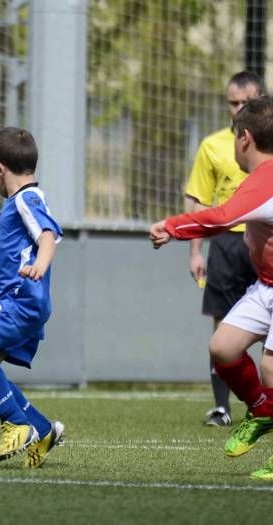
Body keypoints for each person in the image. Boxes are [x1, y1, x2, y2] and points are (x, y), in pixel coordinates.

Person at [150, 96, 273, 480]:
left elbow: (222, 217)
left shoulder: (266, 179)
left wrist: (171, 226)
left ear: (244, 139)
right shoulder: (259, 179)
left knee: (271, 369)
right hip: (266, 285)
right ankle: (263, 410)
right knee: (223, 347)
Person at [0, 127, 65, 468]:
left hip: (20, 299)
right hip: (24, 301)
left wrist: (40, 265)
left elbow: (47, 236)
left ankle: (17, 424)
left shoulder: (25, 200)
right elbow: (20, 249)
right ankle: (42, 428)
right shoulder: (22, 202)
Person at [184, 71, 265, 427]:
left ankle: (262, 407)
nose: (239, 109)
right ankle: (223, 406)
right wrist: (195, 252)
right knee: (223, 329)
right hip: (229, 241)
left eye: (246, 102)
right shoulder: (214, 145)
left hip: (265, 240)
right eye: (233, 103)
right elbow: (198, 200)